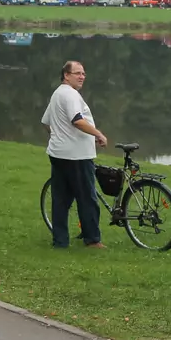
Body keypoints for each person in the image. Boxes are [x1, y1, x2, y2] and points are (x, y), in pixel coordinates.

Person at [41, 61, 108, 249]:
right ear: (66, 75)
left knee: (61, 199)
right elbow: (77, 120)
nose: (81, 77)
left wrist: (59, 136)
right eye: (77, 73)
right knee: (87, 198)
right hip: (76, 156)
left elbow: (46, 122)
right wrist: (98, 134)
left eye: (84, 73)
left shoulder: (57, 94)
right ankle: (92, 240)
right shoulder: (70, 94)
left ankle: (60, 241)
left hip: (58, 153)